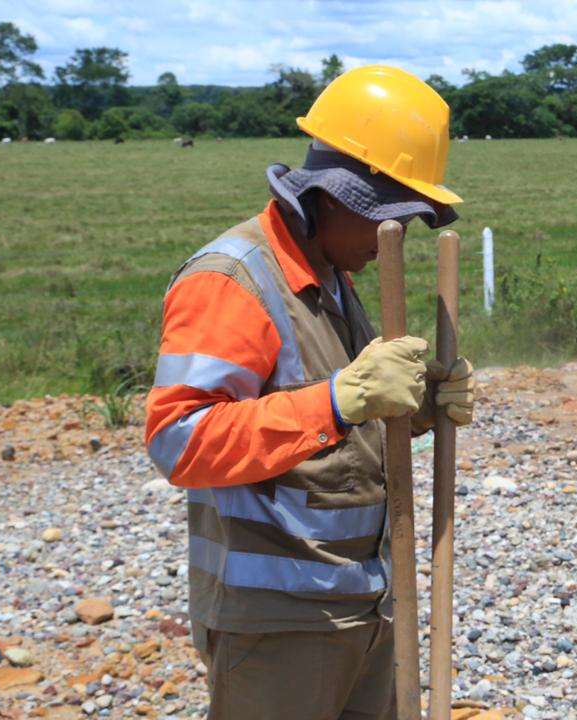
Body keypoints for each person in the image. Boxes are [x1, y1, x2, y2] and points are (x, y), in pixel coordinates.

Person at [145, 65, 476, 720]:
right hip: (278, 628)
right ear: (339, 195)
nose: (399, 240)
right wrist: (338, 398)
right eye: (395, 218)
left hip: (365, 605)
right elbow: (179, 444)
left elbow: (337, 437)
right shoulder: (233, 280)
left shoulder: (331, 276)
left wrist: (414, 411)